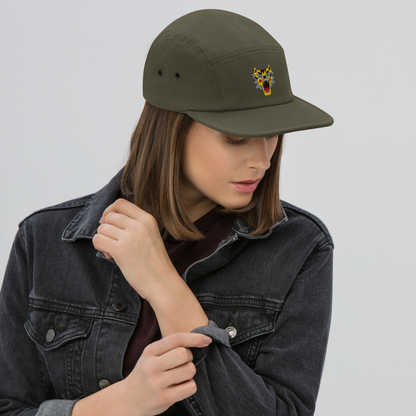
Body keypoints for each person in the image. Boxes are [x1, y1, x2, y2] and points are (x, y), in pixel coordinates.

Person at [0, 9, 334, 416]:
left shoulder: (299, 248)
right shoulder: (44, 241)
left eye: (273, 134)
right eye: (236, 138)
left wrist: (164, 285)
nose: (262, 160)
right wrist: (117, 405)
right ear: (172, 129)